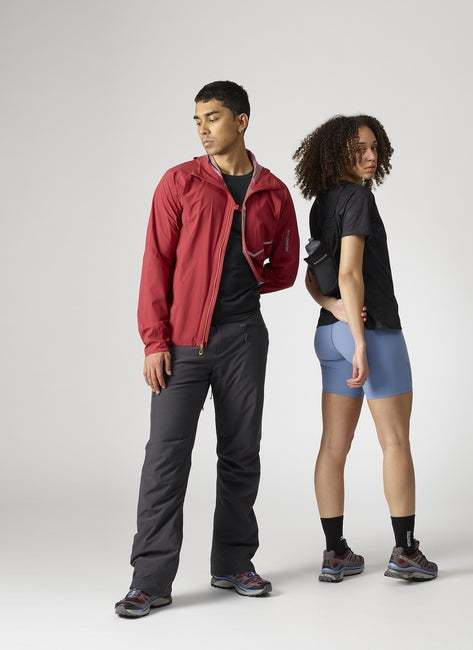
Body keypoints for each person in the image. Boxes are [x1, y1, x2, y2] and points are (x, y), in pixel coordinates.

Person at [115, 81, 299, 618]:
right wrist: (155, 340)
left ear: (241, 121)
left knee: (241, 454)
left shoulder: (273, 192)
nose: (202, 128)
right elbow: (156, 264)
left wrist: (243, 287)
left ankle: (234, 564)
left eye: (212, 117)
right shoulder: (180, 182)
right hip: (181, 342)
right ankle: (150, 580)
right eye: (197, 119)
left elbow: (285, 267)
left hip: (244, 338)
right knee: (165, 459)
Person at [293, 114, 438, 583]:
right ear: (338, 152)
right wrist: (359, 340)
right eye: (359, 149)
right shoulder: (357, 198)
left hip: (328, 333)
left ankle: (335, 553)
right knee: (395, 441)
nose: (371, 156)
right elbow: (349, 272)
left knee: (333, 445)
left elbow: (314, 277)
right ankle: (406, 552)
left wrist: (332, 306)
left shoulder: (321, 203)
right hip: (371, 334)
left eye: (375, 147)